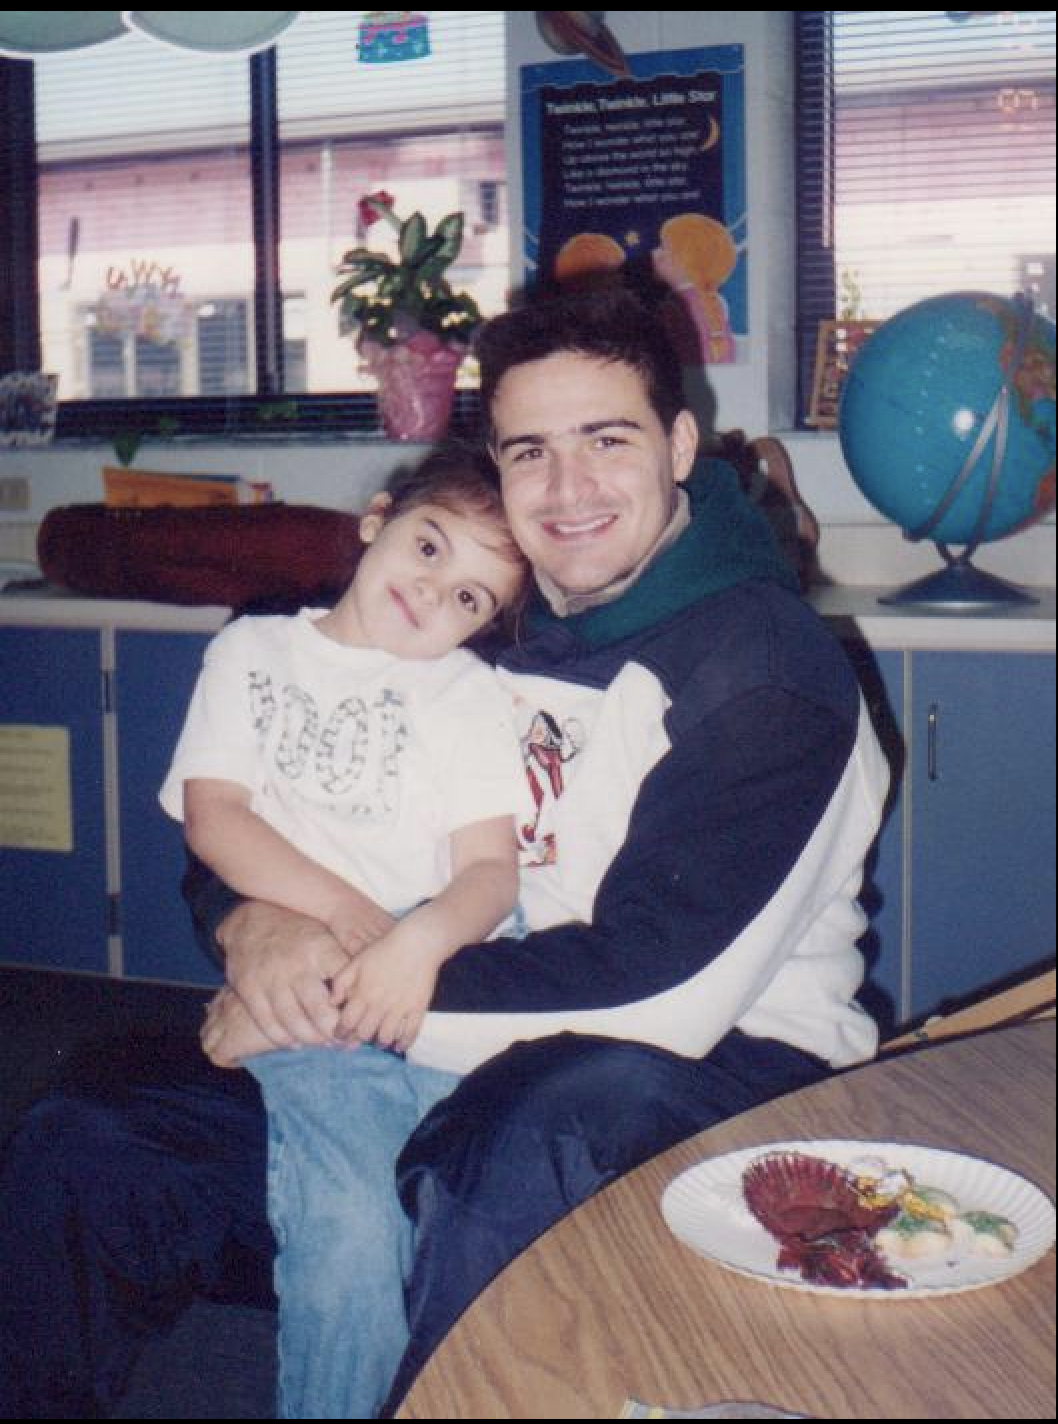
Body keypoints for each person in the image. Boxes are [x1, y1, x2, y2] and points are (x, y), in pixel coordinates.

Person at [0, 289, 890, 1419]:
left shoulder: (762, 670)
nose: (566, 490)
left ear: (676, 446)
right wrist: (248, 919)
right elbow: (291, 777)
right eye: (530, 452)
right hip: (416, 1025)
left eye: (606, 441)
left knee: (518, 1139)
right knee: (97, 1128)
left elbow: (662, 993)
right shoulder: (481, 610)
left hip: (703, 1078)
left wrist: (318, 992)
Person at [164, 446, 530, 1065]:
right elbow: (215, 818)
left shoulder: (469, 693)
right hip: (302, 921)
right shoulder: (251, 650)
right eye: (429, 547)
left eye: (469, 599)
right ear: (377, 519)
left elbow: (491, 872)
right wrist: (341, 912)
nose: (432, 590)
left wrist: (417, 941)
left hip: (426, 935)